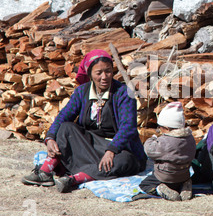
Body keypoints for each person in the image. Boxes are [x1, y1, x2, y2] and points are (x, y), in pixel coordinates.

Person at [22, 49, 147, 192]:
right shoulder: (82, 92)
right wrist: (50, 138)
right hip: (90, 145)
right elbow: (63, 116)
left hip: (119, 149)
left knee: (125, 161)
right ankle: (45, 172)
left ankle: (74, 179)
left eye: (108, 71)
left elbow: (128, 127)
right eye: (98, 73)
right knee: (66, 127)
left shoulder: (124, 93)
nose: (104, 77)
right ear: (90, 74)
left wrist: (112, 150)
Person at [139, 102, 196, 201]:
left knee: (145, 184)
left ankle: (160, 189)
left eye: (160, 127)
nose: (160, 129)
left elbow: (149, 151)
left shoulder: (164, 141)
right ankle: (185, 185)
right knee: (178, 179)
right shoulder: (190, 138)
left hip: (165, 176)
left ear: (167, 128)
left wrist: (152, 139)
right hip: (183, 174)